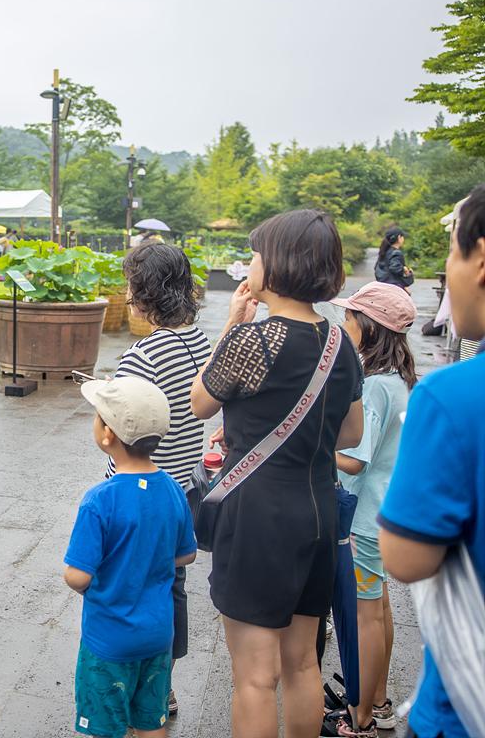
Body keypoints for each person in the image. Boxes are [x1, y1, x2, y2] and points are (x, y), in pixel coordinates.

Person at [190, 209, 364, 738]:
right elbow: (350, 434)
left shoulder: (254, 341)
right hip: (317, 511)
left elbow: (200, 403)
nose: (250, 263)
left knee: (254, 677)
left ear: (279, 265)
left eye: (256, 254)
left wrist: (231, 325)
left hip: (258, 517)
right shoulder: (340, 343)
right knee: (302, 664)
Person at [379, 184, 485, 738]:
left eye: (452, 251)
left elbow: (408, 558)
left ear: (482, 259)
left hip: (467, 703)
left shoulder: (451, 398)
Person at [110, 243, 213, 716]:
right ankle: (164, 684)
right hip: (183, 488)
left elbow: (118, 428)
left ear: (145, 294)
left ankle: (138, 687)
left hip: (140, 492)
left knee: (133, 589)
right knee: (172, 585)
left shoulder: (143, 354)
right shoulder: (202, 340)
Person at [65, 377, 197, 738]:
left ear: (107, 434)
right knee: (151, 721)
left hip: (109, 640)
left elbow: (78, 576)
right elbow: (186, 555)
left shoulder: (99, 500)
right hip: (157, 636)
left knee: (107, 726)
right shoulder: (172, 489)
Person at [327, 282, 417, 738]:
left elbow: (353, 458)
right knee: (377, 609)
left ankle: (358, 715)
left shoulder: (376, 386)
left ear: (369, 327)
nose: (345, 325)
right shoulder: (399, 379)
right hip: (382, 511)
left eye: (350, 318)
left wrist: (315, 444)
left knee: (364, 616)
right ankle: (377, 701)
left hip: (361, 519)